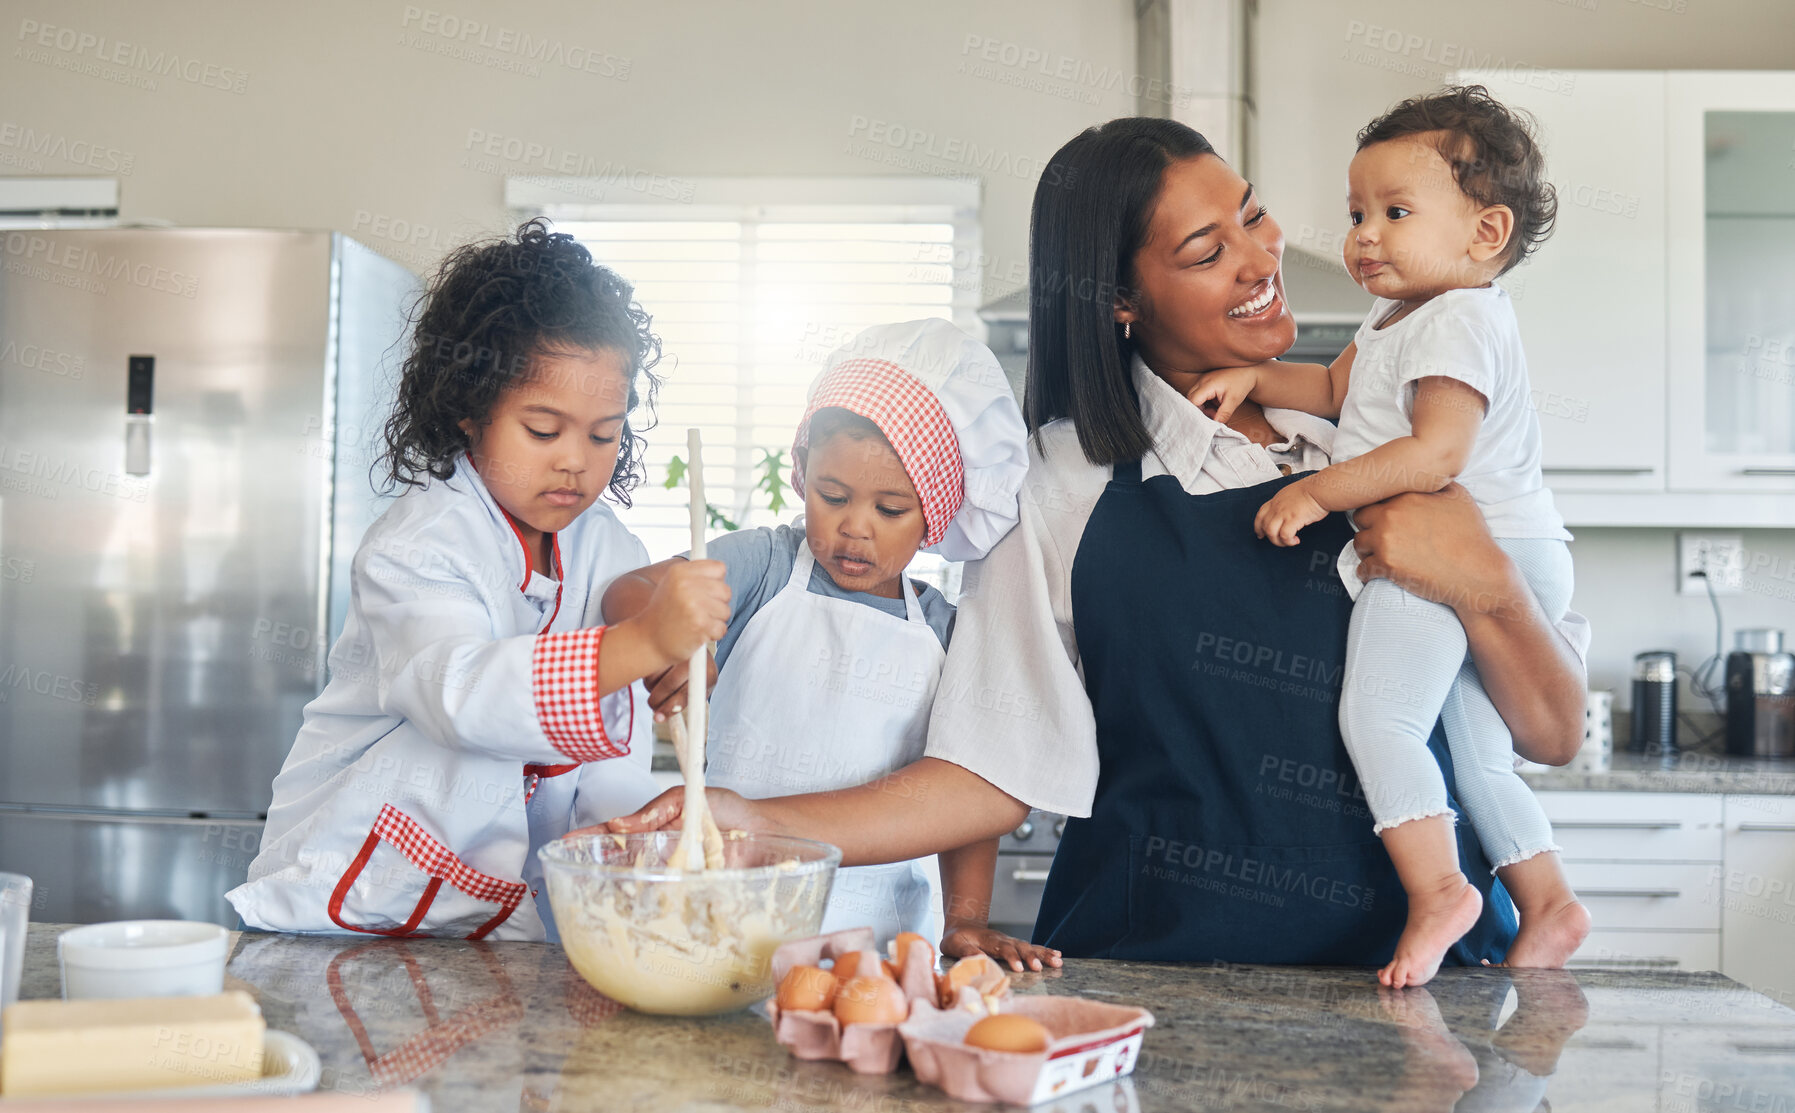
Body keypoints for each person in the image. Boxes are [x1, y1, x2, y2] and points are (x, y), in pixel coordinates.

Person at [606, 118, 1591, 972]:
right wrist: (759, 822)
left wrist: (1490, 590)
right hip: (1165, 989)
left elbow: (1547, 735)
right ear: (1121, 300)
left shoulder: (1396, 438)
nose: (1259, 258)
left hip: (1432, 982)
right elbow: (989, 769)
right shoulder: (1058, 488)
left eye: (1251, 215)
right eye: (1206, 251)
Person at [1187, 86, 1590, 986]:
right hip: (1518, 552)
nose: (1364, 234)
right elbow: (1335, 393)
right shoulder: (1401, 316)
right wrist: (1252, 377)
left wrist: (1317, 490)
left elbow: (1434, 450)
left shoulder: (1460, 318)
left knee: (1380, 717)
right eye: (1356, 212)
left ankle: (1441, 889)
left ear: (1484, 235)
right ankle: (1552, 900)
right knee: (1478, 754)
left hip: (1461, 554)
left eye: (1395, 213)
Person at [229, 220, 730, 941]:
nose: (575, 462)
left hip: (493, 925)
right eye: (542, 428)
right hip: (353, 904)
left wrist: (634, 859)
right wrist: (643, 638)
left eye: (602, 433)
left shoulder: (604, 542)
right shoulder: (420, 543)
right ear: (469, 409)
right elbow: (461, 693)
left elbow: (610, 756)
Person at [602, 320, 1056, 970]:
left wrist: (966, 921)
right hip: (730, 925)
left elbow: (967, 798)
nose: (854, 527)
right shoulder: (761, 564)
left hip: (878, 950)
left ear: (935, 512)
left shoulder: (946, 629)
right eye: (832, 495)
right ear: (800, 473)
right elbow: (631, 587)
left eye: (890, 508)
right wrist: (667, 634)